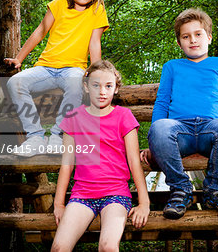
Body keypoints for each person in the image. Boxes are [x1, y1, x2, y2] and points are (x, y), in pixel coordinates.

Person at [144, 8, 218, 219]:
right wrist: (153, 144)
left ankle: (214, 189)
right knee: (159, 127)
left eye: (198, 34)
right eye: (186, 36)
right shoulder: (172, 67)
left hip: (211, 133)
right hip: (179, 132)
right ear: (179, 42)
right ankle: (181, 189)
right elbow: (162, 102)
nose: (193, 40)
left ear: (209, 37)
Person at [5, 0, 109, 156]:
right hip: (45, 67)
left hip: (73, 68)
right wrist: (19, 59)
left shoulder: (97, 10)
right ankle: (35, 137)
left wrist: (97, 73)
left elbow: (94, 43)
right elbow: (40, 32)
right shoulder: (58, 4)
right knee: (15, 82)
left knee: (76, 82)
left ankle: (57, 136)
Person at [51, 60, 150, 251]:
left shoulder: (124, 117)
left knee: (107, 246)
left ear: (116, 88)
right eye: (96, 85)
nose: (102, 91)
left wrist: (144, 203)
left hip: (116, 194)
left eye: (108, 86)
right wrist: (59, 204)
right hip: (82, 195)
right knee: (59, 247)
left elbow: (133, 162)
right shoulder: (73, 118)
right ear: (86, 87)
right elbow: (67, 164)